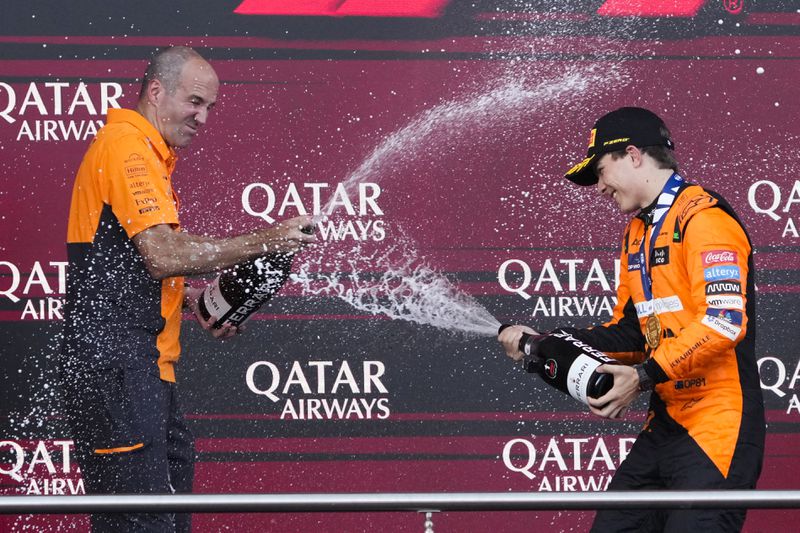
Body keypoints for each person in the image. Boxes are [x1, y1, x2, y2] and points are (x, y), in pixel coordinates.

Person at [58, 46, 316, 532]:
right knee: (141, 526)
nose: (202, 117)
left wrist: (202, 302)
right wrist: (270, 239)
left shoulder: (151, 155)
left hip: (146, 369)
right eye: (194, 102)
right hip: (117, 369)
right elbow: (163, 254)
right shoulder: (125, 147)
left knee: (168, 521)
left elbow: (145, 256)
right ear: (155, 91)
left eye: (209, 108)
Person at [499, 107, 765, 531]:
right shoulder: (637, 233)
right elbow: (633, 331)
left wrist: (641, 377)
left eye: (601, 171)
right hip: (666, 421)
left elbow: (724, 322)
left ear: (634, 155)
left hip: (719, 421)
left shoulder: (704, 217)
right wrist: (548, 343)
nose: (599, 187)